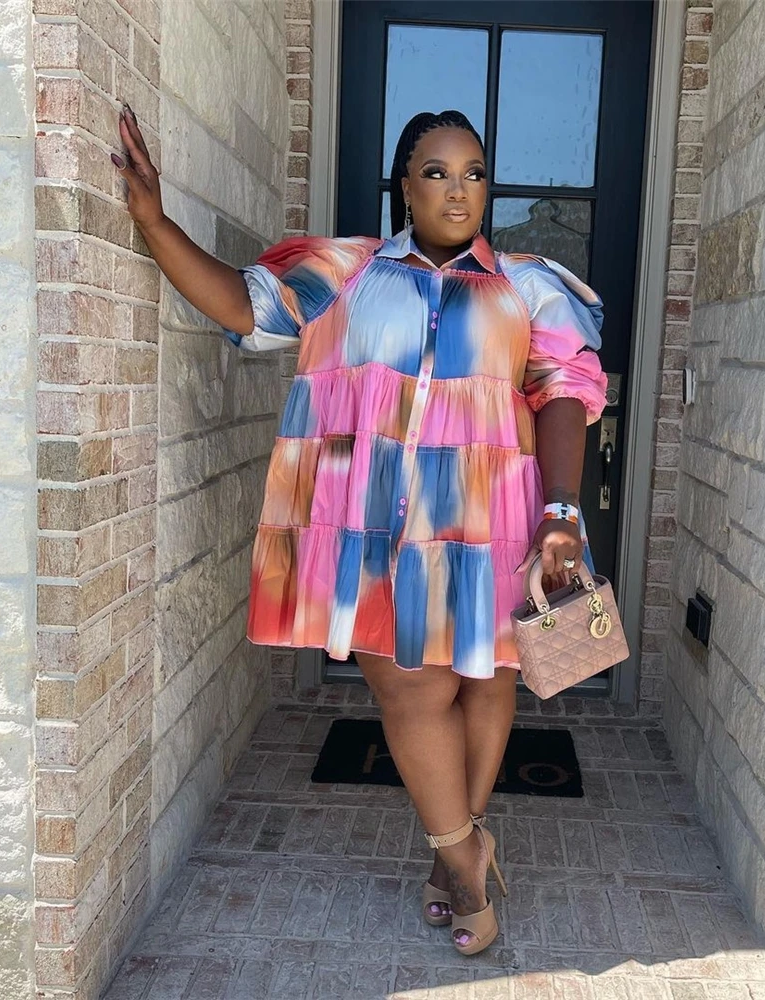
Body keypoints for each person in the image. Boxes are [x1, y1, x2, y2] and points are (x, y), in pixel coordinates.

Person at [113, 105, 607, 956]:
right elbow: (240, 305)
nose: (459, 190)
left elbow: (566, 392)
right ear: (404, 187)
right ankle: (466, 858)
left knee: (486, 682)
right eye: (437, 172)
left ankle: (455, 849)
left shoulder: (529, 285)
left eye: (475, 173)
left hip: (496, 515)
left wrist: (561, 511)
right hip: (377, 527)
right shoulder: (343, 271)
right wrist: (155, 222)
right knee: (412, 690)